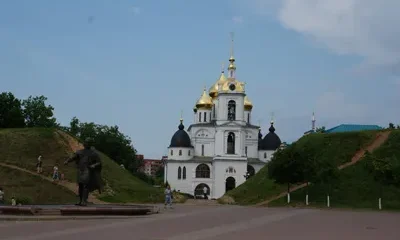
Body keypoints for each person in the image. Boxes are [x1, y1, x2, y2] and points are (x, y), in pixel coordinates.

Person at [64, 137, 102, 206]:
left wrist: (94, 165)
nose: (85, 144)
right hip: (80, 170)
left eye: (87, 143)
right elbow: (73, 157)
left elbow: (99, 162)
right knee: (80, 185)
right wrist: (67, 161)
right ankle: (80, 200)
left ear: (90, 144)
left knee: (85, 185)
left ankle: (84, 200)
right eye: (85, 142)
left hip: (87, 170)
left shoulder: (94, 153)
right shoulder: (80, 152)